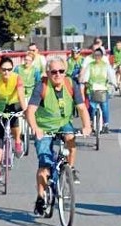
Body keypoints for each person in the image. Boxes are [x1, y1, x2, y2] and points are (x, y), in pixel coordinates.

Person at [26, 56, 91, 211]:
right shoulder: (41, 86)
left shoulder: (70, 84)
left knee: (71, 139)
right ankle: (40, 196)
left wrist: (87, 126)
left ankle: (70, 168)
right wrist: (35, 128)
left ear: (65, 71)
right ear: (48, 72)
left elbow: (81, 108)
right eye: (53, 71)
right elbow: (30, 111)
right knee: (44, 166)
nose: (58, 74)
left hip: (63, 123)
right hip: (44, 126)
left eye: (61, 71)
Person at [0, 56, 27, 182]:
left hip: (13, 104)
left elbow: (21, 96)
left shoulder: (17, 78)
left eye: (9, 69)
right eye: (4, 70)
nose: (6, 72)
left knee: (14, 120)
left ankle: (17, 142)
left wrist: (25, 111)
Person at [81, 47, 116, 134]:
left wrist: (114, 83)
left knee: (104, 106)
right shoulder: (90, 65)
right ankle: (92, 122)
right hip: (92, 89)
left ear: (101, 56)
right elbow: (86, 76)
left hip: (103, 89)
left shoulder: (106, 65)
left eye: (99, 55)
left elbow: (111, 76)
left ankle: (106, 124)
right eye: (95, 55)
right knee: (92, 107)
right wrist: (85, 81)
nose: (97, 57)